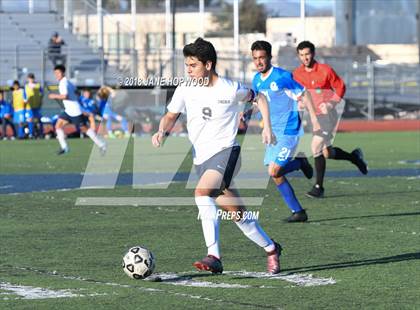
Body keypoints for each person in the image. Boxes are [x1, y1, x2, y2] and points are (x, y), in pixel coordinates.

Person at [152, 38, 282, 274]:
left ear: (208, 65)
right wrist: (162, 129)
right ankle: (272, 248)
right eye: (187, 65)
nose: (188, 70)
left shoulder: (230, 89)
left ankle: (214, 256)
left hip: (226, 153)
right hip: (201, 160)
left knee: (201, 193)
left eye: (193, 65)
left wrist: (267, 127)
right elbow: (170, 115)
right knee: (239, 215)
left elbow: (260, 97)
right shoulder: (185, 88)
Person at [250, 40, 319, 223]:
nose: (258, 62)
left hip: (289, 131)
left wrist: (314, 119)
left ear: (270, 57)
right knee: (275, 175)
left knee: (275, 171)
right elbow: (259, 103)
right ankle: (298, 212)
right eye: (255, 58)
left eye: (262, 58)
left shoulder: (282, 76)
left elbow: (304, 93)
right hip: (271, 134)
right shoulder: (256, 80)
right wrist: (247, 112)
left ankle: (299, 163)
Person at [293, 41, 368, 198]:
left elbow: (341, 87)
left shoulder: (325, 70)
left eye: (307, 54)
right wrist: (299, 101)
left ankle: (319, 187)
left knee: (315, 147)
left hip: (328, 115)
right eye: (301, 55)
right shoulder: (297, 74)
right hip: (312, 116)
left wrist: (331, 103)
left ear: (313, 54)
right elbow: (297, 93)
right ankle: (354, 157)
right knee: (326, 152)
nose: (305, 58)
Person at [48, 65, 106, 155]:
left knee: (85, 129)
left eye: (58, 73)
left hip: (74, 111)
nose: (56, 75)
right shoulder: (68, 82)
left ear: (63, 73)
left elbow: (65, 96)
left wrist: (54, 96)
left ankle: (102, 144)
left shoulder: (63, 83)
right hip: (69, 110)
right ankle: (64, 148)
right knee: (58, 126)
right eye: (55, 73)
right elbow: (78, 93)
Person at [24, 73, 44, 138]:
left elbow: (42, 94)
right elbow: (24, 96)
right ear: (28, 79)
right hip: (29, 106)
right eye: (30, 78)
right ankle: (31, 134)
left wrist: (40, 101)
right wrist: (25, 100)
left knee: (39, 119)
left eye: (32, 78)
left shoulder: (38, 85)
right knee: (30, 120)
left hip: (37, 106)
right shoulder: (26, 86)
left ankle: (41, 133)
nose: (31, 79)